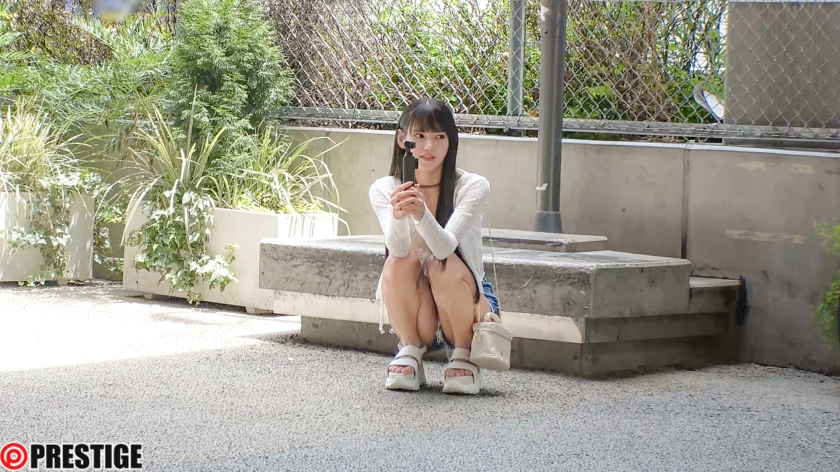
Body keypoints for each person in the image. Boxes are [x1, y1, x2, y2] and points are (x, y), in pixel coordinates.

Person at [368, 97, 501, 395]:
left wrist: (420, 214)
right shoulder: (384, 188)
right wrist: (400, 215)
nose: (429, 146)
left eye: (440, 137)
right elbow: (397, 249)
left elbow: (444, 248)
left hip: (465, 300)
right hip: (417, 308)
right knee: (399, 261)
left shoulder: (472, 186)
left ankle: (464, 353)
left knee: (443, 264)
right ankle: (410, 349)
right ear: (402, 140)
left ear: (451, 141)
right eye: (420, 136)